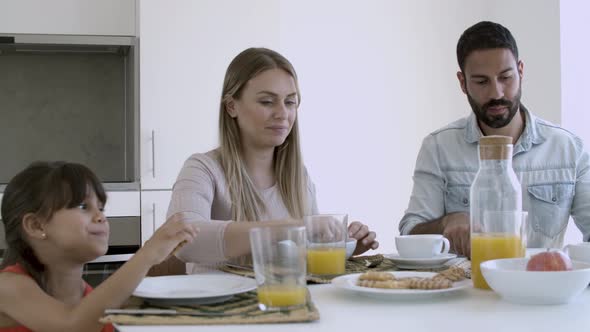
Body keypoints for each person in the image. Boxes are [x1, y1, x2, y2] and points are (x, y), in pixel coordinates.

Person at [168, 47, 379, 273]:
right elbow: (183, 241)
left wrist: (340, 245)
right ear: (231, 106)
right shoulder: (202, 169)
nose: (282, 113)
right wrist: (292, 228)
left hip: (285, 303)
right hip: (217, 305)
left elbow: (303, 252)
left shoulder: (299, 177)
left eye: (290, 102)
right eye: (267, 102)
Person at [399, 21, 590, 257]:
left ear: (520, 71)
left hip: (541, 288)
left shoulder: (568, 148)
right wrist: (445, 223)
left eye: (506, 77)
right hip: (465, 290)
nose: (496, 93)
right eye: (481, 82)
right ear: (462, 82)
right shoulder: (439, 148)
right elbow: (410, 233)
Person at [0, 161, 199, 332]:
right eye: (82, 206)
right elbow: (71, 325)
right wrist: (147, 254)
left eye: (101, 208)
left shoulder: (90, 299)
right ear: (36, 225)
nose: (101, 217)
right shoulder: (8, 286)